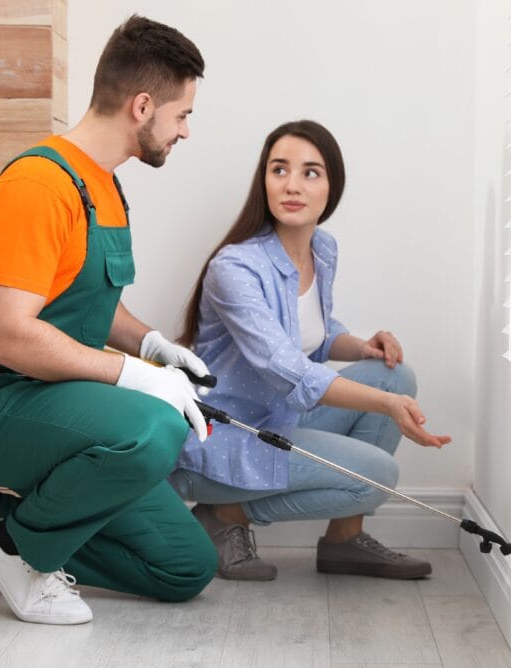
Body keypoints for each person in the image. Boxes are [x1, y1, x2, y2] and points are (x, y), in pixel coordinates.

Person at [0, 15, 218, 625]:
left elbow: (89, 301)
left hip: (72, 410)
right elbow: (9, 336)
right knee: (154, 428)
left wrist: (152, 345)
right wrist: (140, 379)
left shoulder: (105, 187)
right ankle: (16, 552)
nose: (186, 131)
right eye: (182, 114)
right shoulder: (38, 185)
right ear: (143, 106)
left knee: (185, 566)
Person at [170, 120, 452, 582]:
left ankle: (344, 540)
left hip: (279, 418)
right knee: (378, 474)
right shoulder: (235, 268)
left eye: (310, 172)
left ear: (331, 186)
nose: (293, 185)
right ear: (264, 180)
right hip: (227, 436)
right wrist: (384, 405)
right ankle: (225, 516)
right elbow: (289, 369)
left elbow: (313, 335)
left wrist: (361, 346)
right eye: (280, 170)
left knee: (393, 374)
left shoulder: (322, 249)